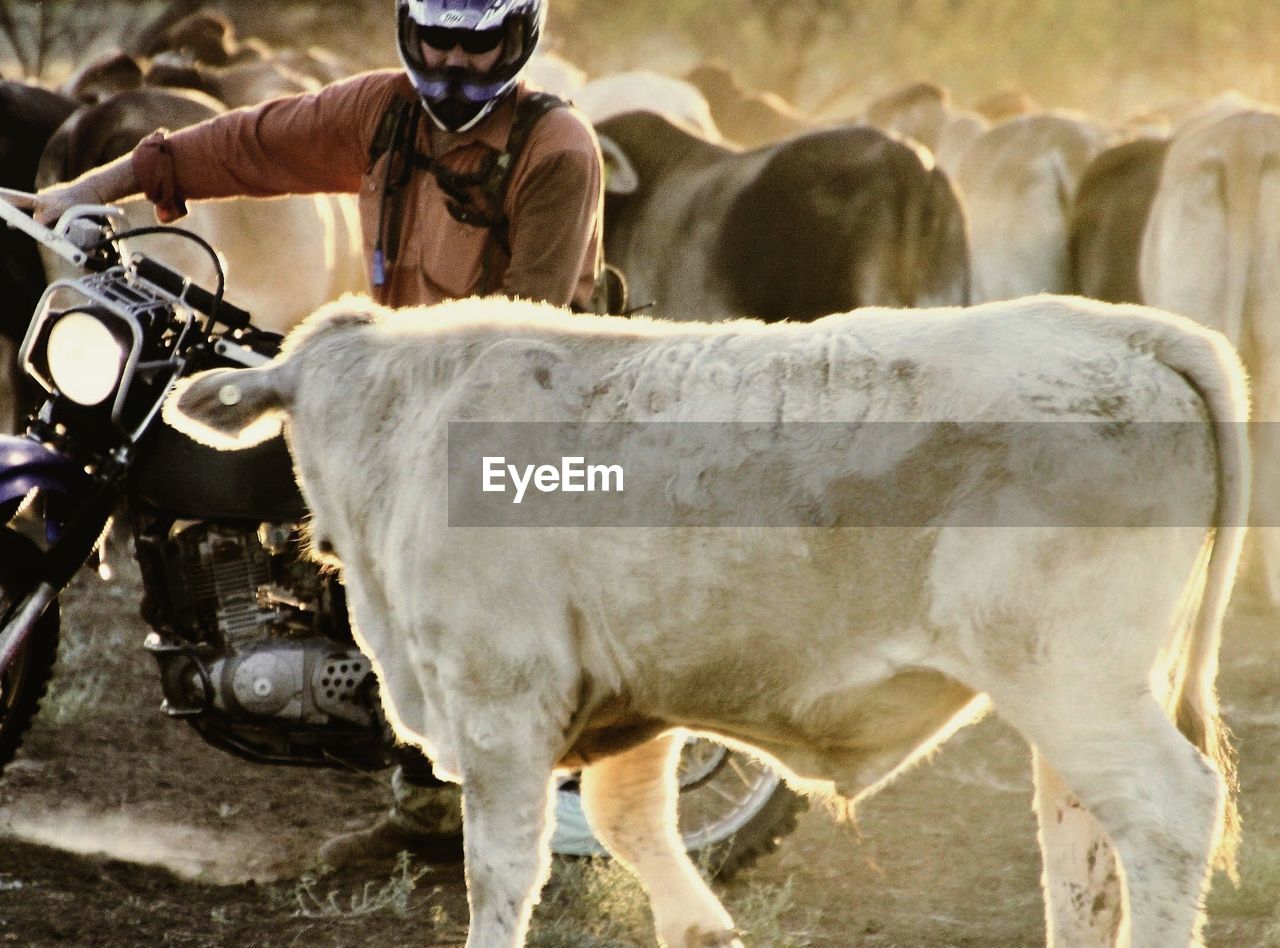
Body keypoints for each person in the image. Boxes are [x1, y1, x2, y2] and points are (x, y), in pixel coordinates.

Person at [35, 0, 603, 869]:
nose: (452, 59)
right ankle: (414, 790)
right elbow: (242, 144)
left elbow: (524, 330)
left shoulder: (554, 153)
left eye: (476, 39)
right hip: (410, 380)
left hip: (521, 391)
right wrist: (89, 191)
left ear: (518, 37)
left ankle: (511, 802)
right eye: (437, 36)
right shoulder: (381, 115)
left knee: (442, 563)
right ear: (411, 30)